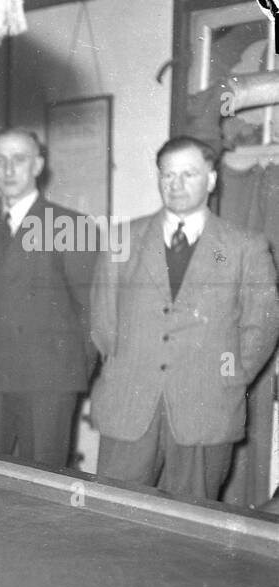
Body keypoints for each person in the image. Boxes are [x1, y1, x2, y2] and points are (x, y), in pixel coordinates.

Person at [90, 136, 279, 501]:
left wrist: (230, 375)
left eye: (188, 174)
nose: (175, 185)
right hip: (128, 405)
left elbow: (262, 326)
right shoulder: (122, 239)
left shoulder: (246, 247)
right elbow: (103, 320)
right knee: (110, 516)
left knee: (192, 528)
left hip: (206, 408)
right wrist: (124, 365)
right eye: (167, 175)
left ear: (211, 179)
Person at [0, 128, 99, 467]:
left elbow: (93, 312)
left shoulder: (69, 224)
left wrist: (69, 375)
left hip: (47, 383)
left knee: (41, 486)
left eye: (19, 159)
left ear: (37, 165)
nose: (8, 170)